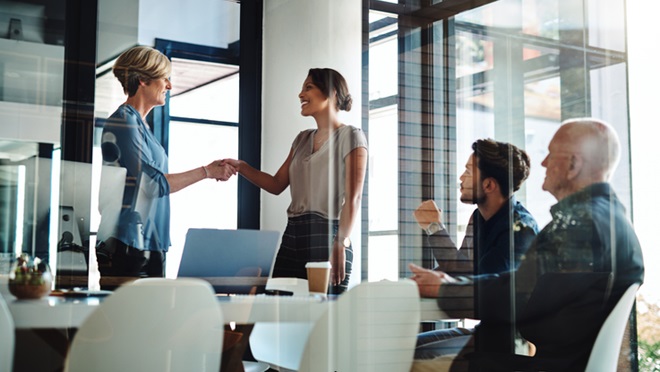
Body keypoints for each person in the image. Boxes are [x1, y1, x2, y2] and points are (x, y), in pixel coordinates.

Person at [410, 118, 644, 371]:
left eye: (551, 154)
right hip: (555, 359)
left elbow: (518, 294)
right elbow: (523, 287)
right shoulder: (603, 219)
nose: (543, 162)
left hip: (547, 364)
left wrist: (445, 289)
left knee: (406, 365)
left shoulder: (582, 224)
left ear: (573, 164)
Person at [96, 46, 236, 286]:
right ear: (142, 80)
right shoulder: (124, 122)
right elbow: (152, 184)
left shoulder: (141, 126)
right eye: (165, 79)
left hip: (149, 242)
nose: (169, 86)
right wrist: (206, 171)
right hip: (127, 244)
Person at [222, 68, 368, 294]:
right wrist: (242, 167)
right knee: (280, 312)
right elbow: (276, 184)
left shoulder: (351, 136)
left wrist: (341, 242)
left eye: (308, 87)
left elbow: (354, 198)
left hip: (329, 235)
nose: (300, 95)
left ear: (332, 93)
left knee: (323, 318)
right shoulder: (301, 139)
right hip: (293, 235)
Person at [412, 139, 539, 360]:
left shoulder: (519, 229)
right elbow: (461, 268)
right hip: (487, 329)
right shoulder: (479, 217)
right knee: (407, 348)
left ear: (489, 185)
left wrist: (434, 228)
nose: (461, 178)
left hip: (512, 340)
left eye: (468, 172)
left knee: (415, 357)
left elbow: (482, 289)